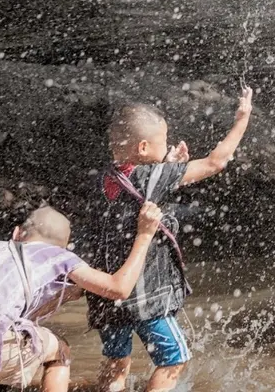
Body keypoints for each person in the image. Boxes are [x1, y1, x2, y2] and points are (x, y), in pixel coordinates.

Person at [86, 87, 253, 392]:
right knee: (174, 361)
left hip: (105, 296)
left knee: (116, 365)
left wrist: (167, 165)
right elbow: (216, 162)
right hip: (144, 297)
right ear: (144, 147)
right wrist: (242, 119)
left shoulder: (103, 180)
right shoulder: (152, 177)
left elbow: (134, 193)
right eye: (164, 142)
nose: (169, 146)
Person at [0, 202, 164, 392]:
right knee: (59, 350)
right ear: (63, 247)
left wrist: (68, 293)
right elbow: (118, 288)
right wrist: (144, 234)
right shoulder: (58, 256)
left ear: (17, 232)